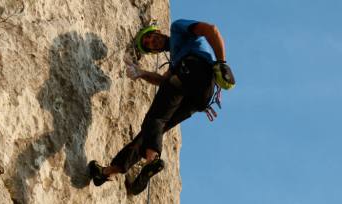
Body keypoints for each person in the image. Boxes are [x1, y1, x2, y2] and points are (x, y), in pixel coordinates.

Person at [89, 19, 235, 195]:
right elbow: (164, 81)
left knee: (155, 119)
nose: (152, 42)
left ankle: (152, 160)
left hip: (194, 69)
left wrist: (221, 62)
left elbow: (211, 29)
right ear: (155, 51)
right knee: (152, 130)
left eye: (150, 37)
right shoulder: (175, 61)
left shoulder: (177, 29)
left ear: (157, 31)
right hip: (201, 95)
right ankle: (107, 172)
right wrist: (141, 73)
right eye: (149, 45)